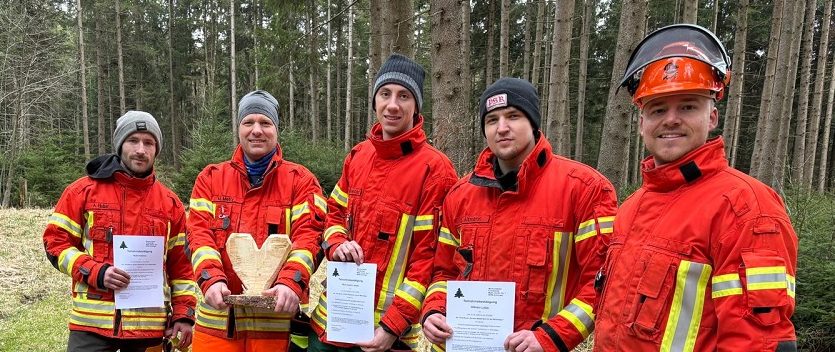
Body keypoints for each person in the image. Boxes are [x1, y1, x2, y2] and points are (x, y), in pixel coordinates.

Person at [593, 24, 798, 351]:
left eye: (687, 106)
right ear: (641, 123)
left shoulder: (748, 209)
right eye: (658, 109)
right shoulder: (631, 208)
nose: (671, 119)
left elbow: (756, 342)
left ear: (712, 117)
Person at [420, 77, 618, 352]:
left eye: (513, 116)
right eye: (492, 120)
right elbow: (444, 271)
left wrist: (551, 337)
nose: (502, 128)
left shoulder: (584, 189)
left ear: (534, 123)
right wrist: (433, 311)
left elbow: (602, 281)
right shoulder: (459, 196)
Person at [309, 53, 458, 352]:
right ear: (375, 101)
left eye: (404, 96)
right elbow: (334, 213)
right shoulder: (358, 156)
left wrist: (393, 325)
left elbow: (429, 259)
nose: (392, 105)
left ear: (416, 107)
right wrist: (337, 243)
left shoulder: (436, 170)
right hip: (332, 320)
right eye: (385, 94)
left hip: (389, 336)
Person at [43, 111, 197, 352]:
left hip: (150, 328)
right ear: (120, 145)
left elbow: (182, 266)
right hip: (92, 327)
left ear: (157, 149)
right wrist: (96, 272)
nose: (140, 150)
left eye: (149, 143)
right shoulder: (81, 192)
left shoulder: (171, 204)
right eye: (133, 141)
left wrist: (183, 315)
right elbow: (55, 243)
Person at [186, 90, 326, 351]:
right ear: (238, 128)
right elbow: (198, 236)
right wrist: (211, 279)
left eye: (265, 123)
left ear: (276, 129)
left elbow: (310, 238)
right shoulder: (210, 179)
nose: (256, 131)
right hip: (218, 325)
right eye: (248, 122)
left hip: (277, 326)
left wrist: (290, 283)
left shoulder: (301, 181)